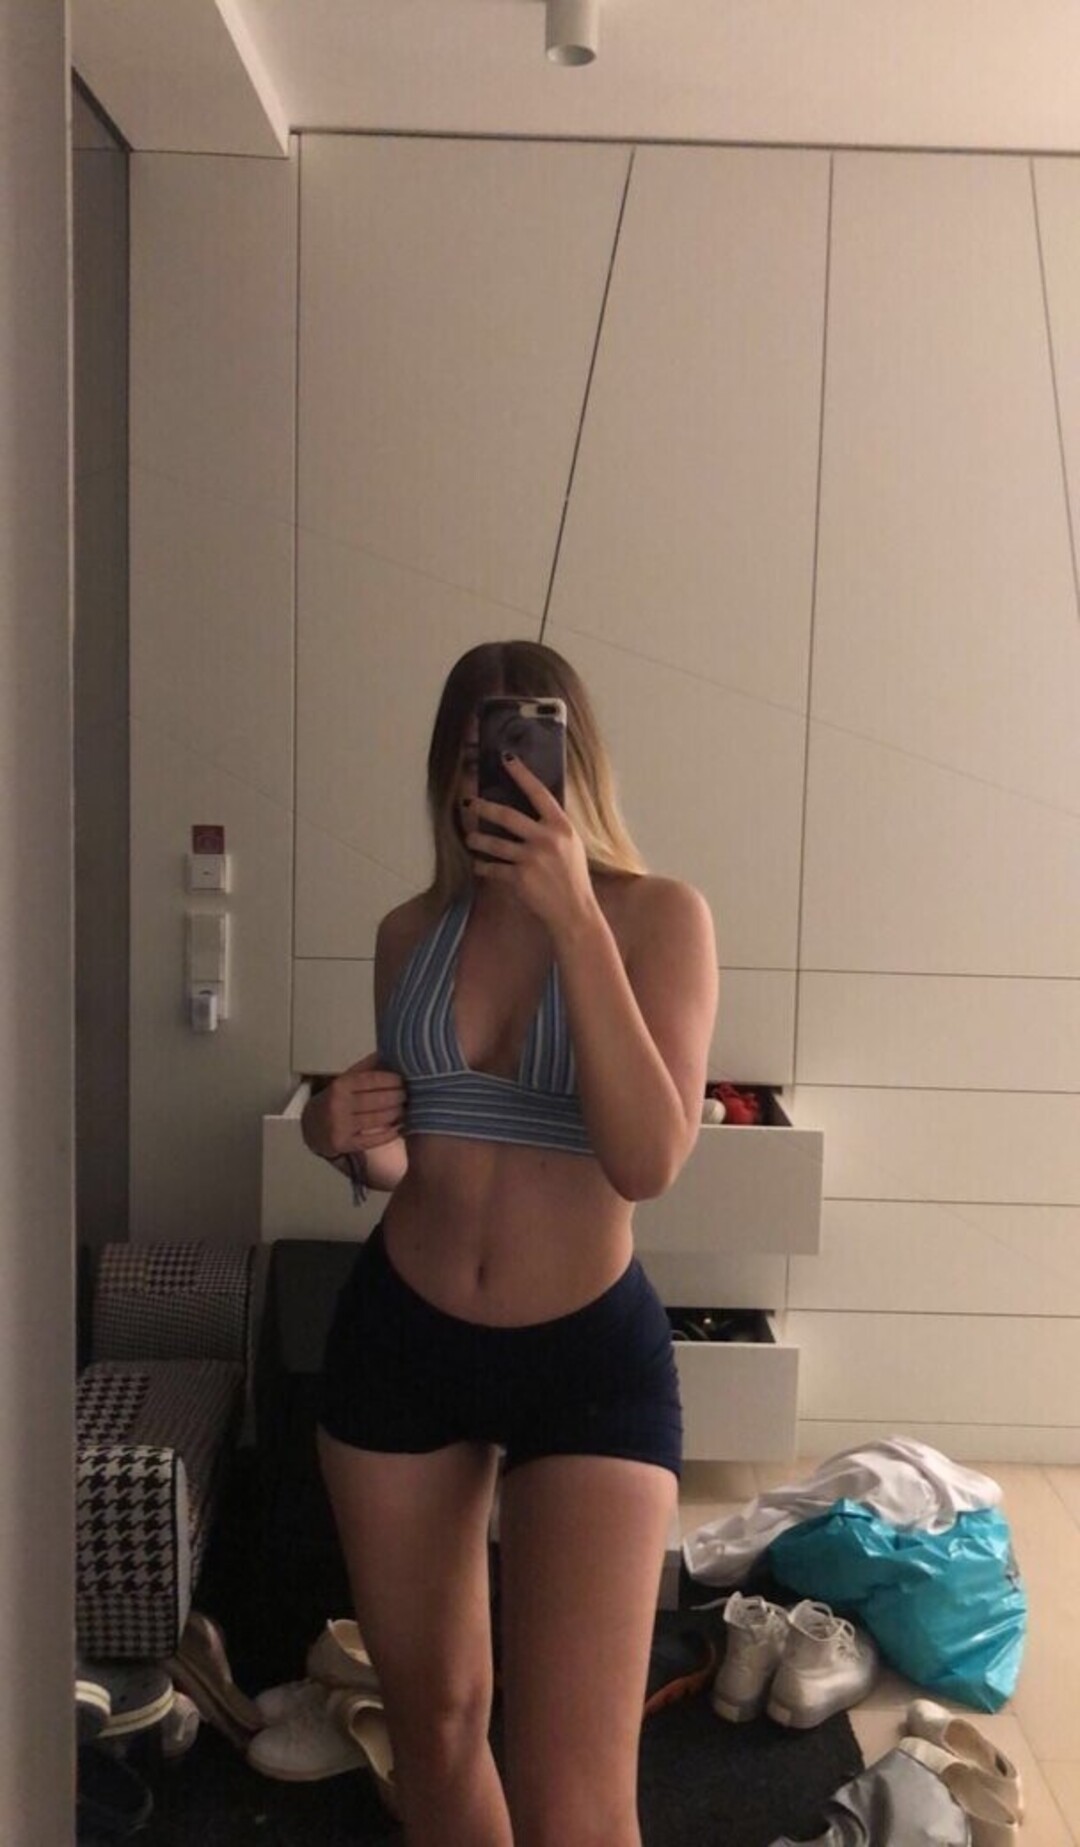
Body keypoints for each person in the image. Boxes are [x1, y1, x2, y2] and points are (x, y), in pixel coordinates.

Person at [302, 639, 718, 1847]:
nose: (501, 770)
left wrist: (574, 917)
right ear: (451, 768)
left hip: (585, 1359)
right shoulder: (409, 931)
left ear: (574, 759)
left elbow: (648, 1159)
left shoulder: (658, 917)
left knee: (574, 1796)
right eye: (479, 748)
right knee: (434, 1728)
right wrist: (343, 1134)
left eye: (528, 741)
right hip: (401, 1337)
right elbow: (412, 1156)